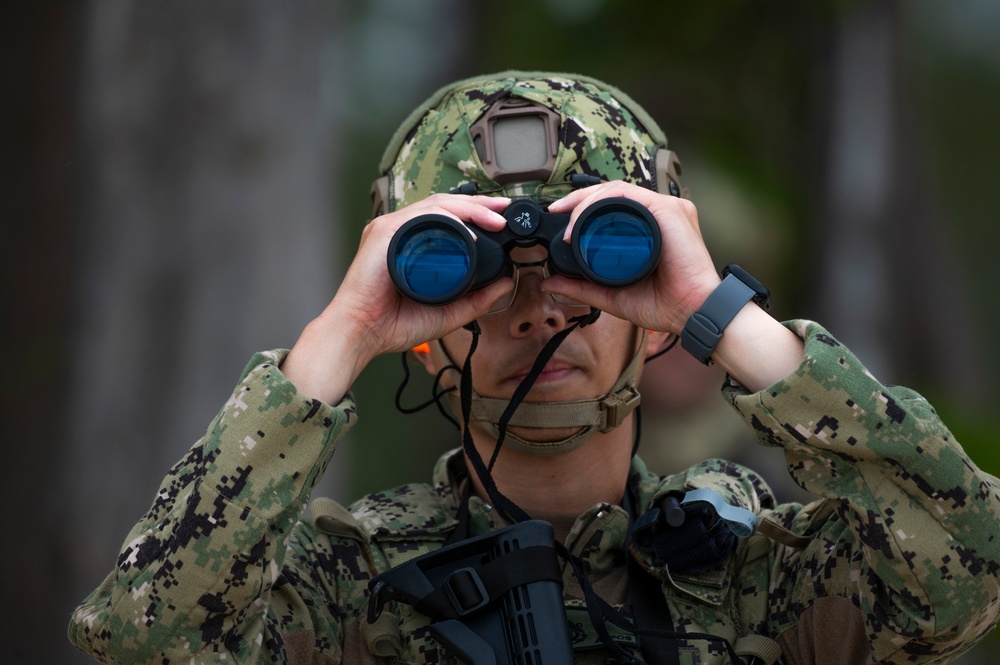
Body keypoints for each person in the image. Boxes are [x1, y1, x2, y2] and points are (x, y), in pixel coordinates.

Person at [68, 71, 1000, 665]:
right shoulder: (350, 592)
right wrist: (343, 333)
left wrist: (716, 312)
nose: (538, 305)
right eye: (470, 277)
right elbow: (144, 636)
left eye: (589, 263)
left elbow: (976, 566)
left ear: (657, 325)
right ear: (423, 335)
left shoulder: (766, 576)